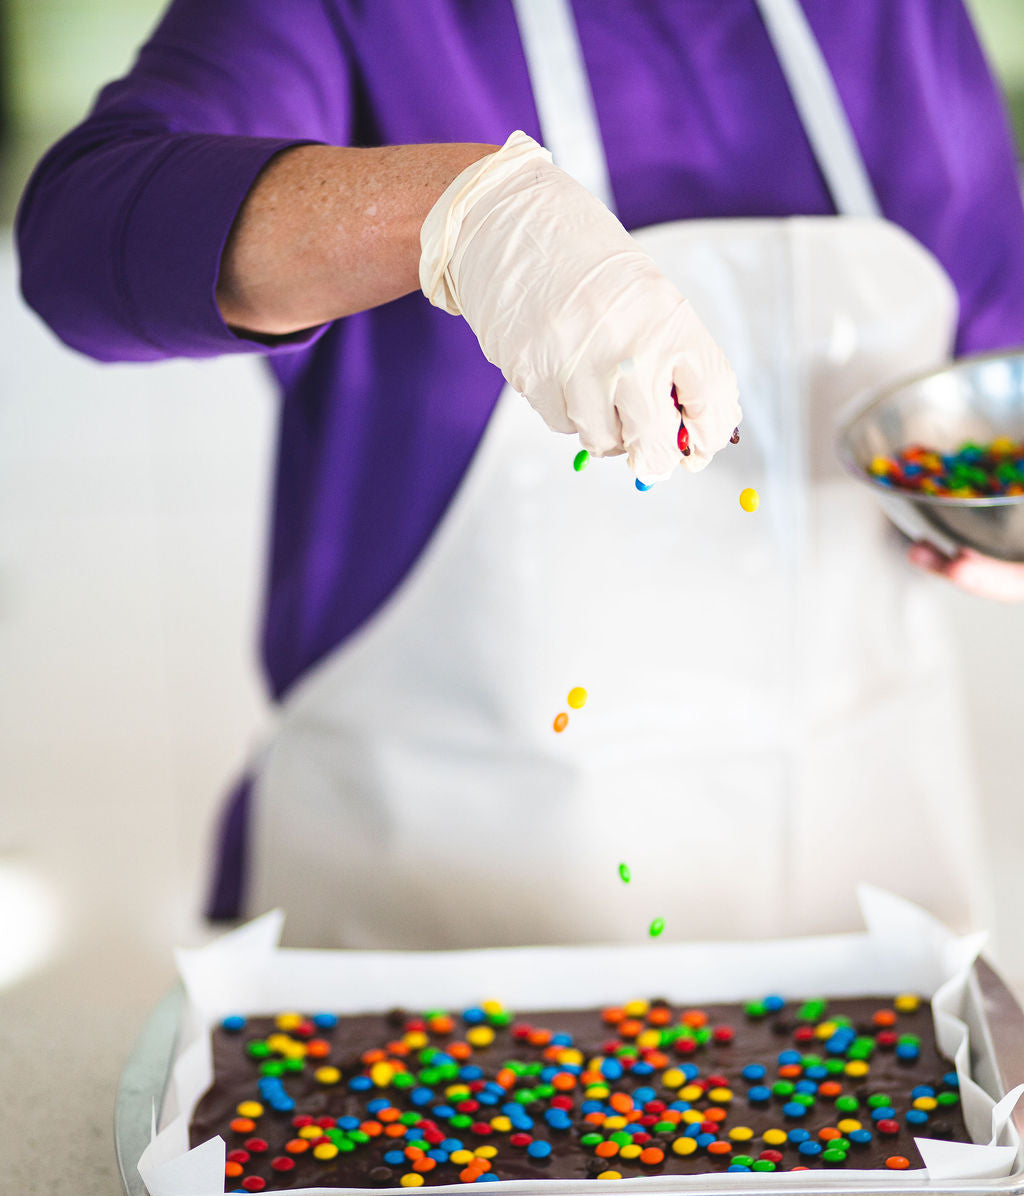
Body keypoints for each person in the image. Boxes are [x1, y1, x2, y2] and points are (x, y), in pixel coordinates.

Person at [16, 0, 1024, 950]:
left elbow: (993, 349)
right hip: (435, 939)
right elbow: (80, 235)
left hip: (859, 912)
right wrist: (456, 215)